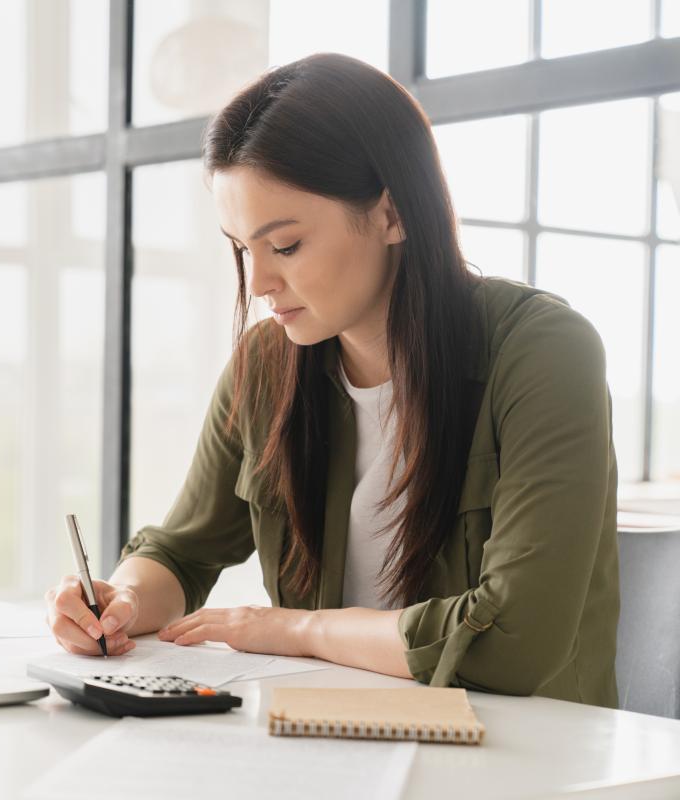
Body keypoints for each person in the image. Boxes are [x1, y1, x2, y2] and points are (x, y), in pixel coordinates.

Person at [44, 53, 619, 707]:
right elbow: (182, 552)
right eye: (242, 249)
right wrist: (120, 602)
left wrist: (300, 629)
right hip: (333, 739)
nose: (258, 284)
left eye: (285, 245)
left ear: (392, 214)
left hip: (533, 755)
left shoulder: (542, 352)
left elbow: (514, 641)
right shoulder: (267, 366)